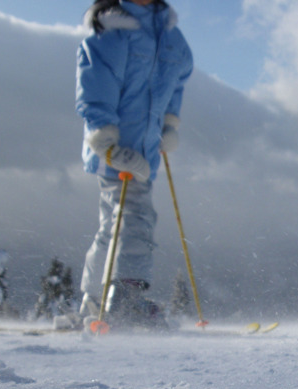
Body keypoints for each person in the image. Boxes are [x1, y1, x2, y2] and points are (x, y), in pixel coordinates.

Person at [75, 0, 193, 327]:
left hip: (147, 148)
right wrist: (105, 141)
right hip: (117, 149)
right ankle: (125, 301)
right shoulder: (112, 32)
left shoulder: (171, 37)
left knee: (114, 223)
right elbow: (95, 86)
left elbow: (177, 80)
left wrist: (170, 124)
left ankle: (95, 301)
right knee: (136, 217)